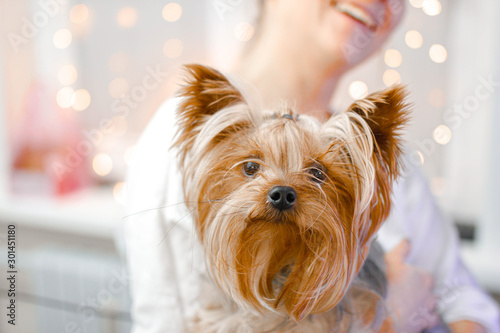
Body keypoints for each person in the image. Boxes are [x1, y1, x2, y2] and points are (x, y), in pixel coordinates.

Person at [124, 0, 500, 332]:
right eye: (251, 167)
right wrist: (393, 319)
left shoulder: (375, 156)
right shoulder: (187, 134)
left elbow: (468, 301)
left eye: (319, 176)